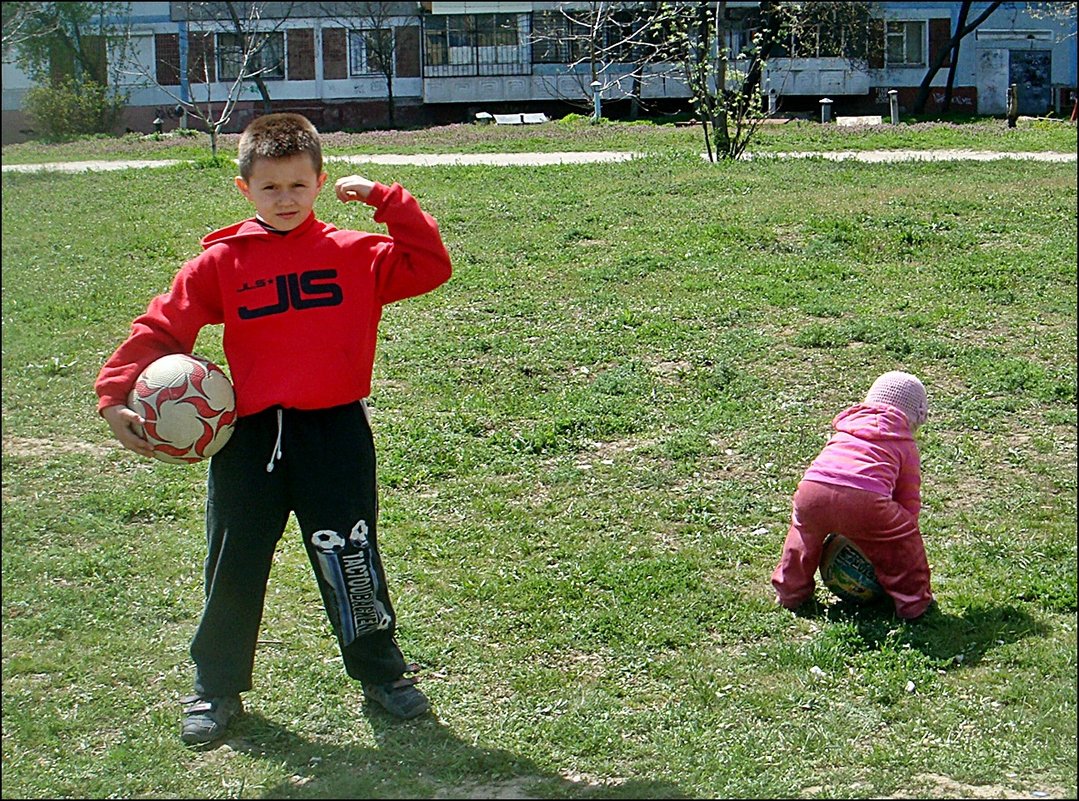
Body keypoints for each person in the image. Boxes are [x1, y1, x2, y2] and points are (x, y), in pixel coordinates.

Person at [95, 112, 452, 744]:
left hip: (334, 432)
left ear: (319, 182)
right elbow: (162, 328)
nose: (284, 199)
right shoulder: (221, 262)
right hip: (249, 437)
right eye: (269, 188)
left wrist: (388, 201)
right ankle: (215, 686)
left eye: (297, 185)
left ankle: (382, 673)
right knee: (234, 560)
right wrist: (114, 393)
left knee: (351, 556)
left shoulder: (354, 254)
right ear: (245, 189)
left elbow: (429, 266)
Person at [771, 371, 935, 620]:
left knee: (803, 535)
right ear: (915, 415)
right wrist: (902, 528)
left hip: (813, 489)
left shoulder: (846, 429)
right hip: (864, 500)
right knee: (903, 537)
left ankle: (791, 592)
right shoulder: (903, 443)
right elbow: (907, 497)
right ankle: (913, 602)